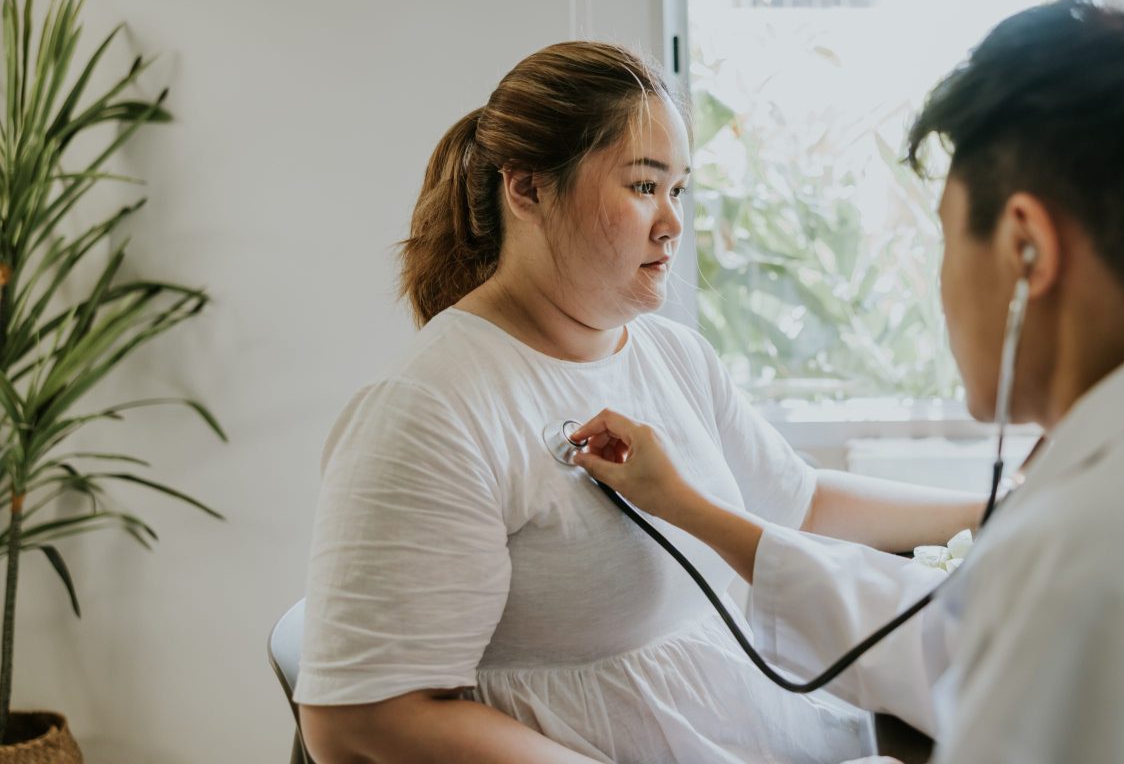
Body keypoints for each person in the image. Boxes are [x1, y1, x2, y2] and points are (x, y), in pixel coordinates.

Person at [571, 0, 1124, 764]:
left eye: (949, 238)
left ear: (1026, 248)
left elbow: (980, 639)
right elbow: (947, 635)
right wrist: (692, 508)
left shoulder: (1089, 557)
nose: (943, 286)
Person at [295, 41, 992, 764]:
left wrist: (995, 511)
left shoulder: (671, 355)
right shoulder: (429, 410)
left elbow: (799, 501)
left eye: (678, 190)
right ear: (527, 190)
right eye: (642, 186)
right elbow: (361, 721)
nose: (672, 223)